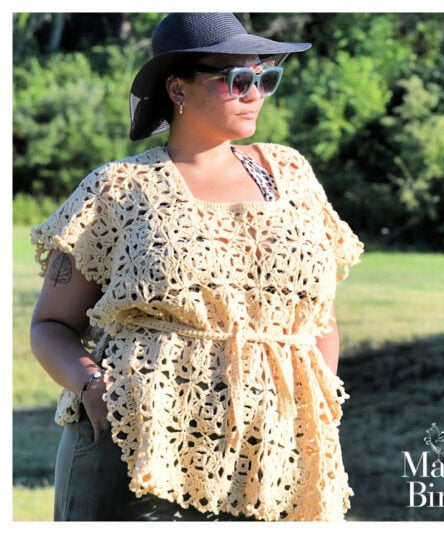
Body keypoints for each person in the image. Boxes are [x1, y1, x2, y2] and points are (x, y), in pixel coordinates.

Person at [29, 13, 362, 521]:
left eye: (266, 77)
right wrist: (94, 387)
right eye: (238, 79)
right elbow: (50, 325)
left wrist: (313, 413)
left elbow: (320, 320)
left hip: (272, 456)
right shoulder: (118, 190)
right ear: (178, 88)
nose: (256, 93)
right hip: (138, 443)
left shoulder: (291, 174)